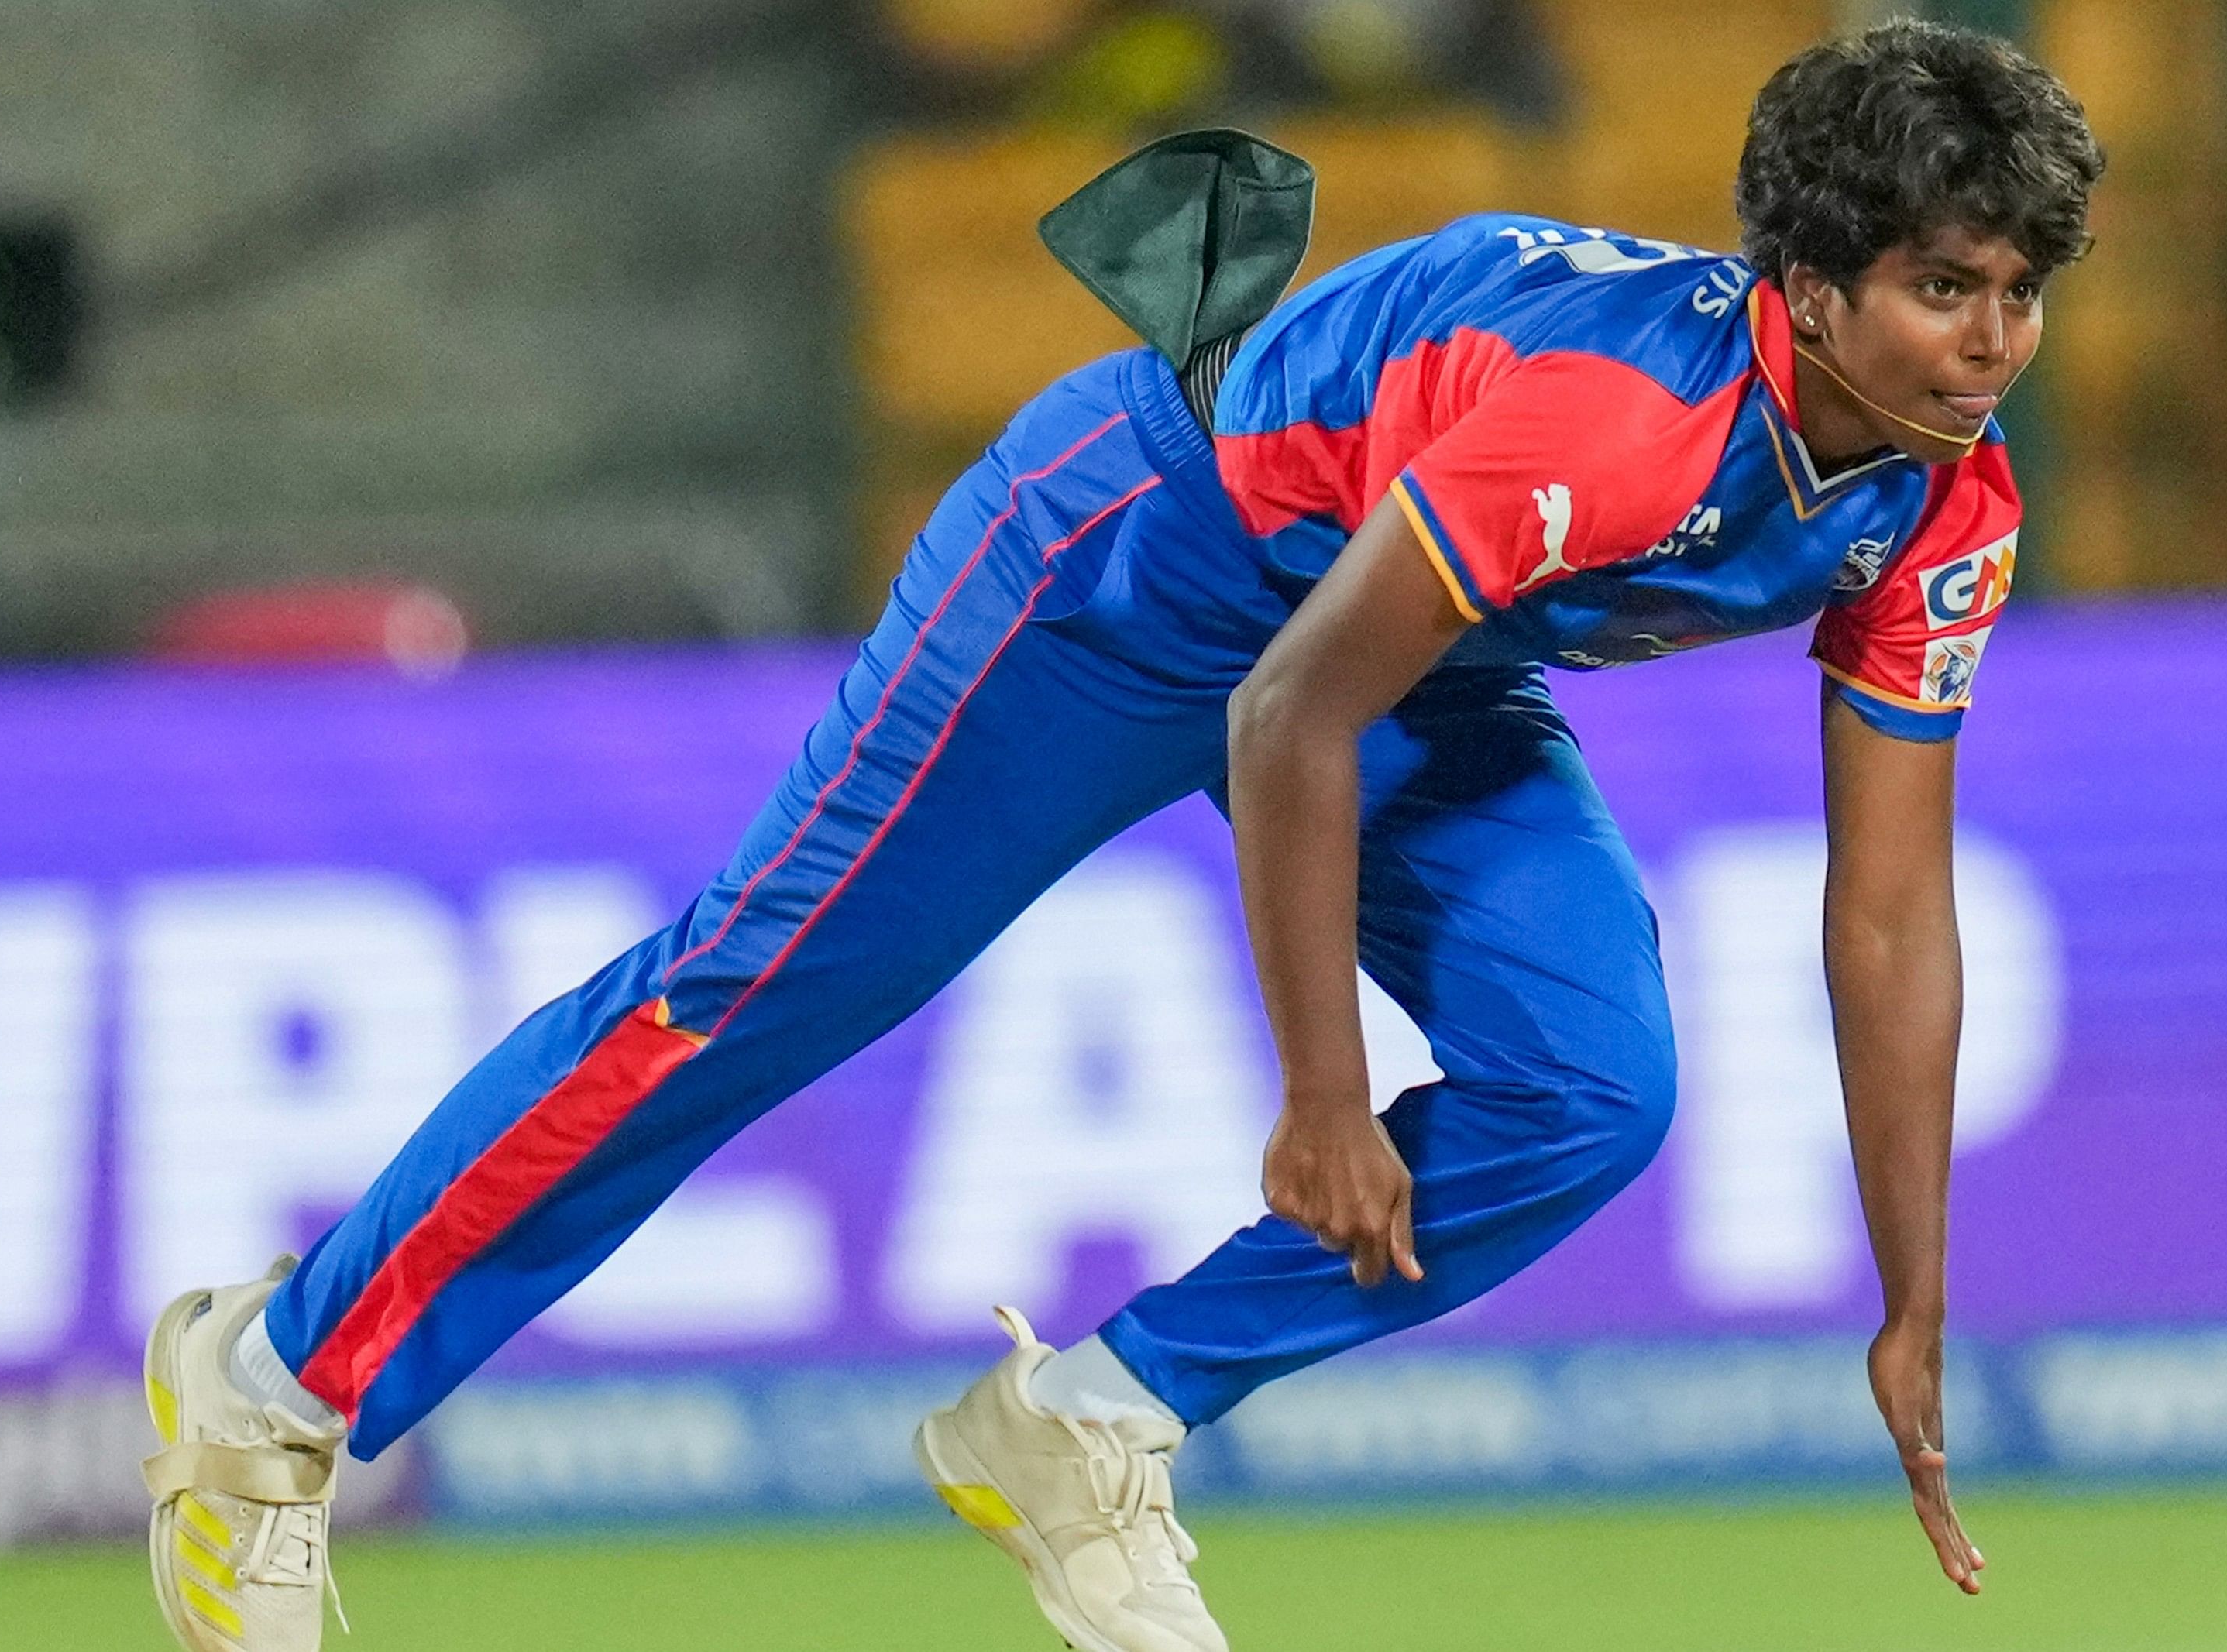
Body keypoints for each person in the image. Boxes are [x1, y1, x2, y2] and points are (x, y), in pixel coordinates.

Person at [139, 19, 2102, 1652]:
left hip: (1399, 642)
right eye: (1945, 289)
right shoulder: (1621, 423)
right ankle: (277, 1385)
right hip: (1136, 563)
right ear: (1810, 286)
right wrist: (1324, 1092)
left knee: (1589, 1086)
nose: (1991, 342)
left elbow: (1893, 911)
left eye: (2019, 291)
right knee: (752, 996)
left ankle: (1095, 1415)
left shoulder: (1946, 503)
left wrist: (1912, 1294)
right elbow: (1285, 712)